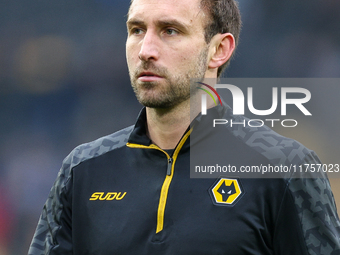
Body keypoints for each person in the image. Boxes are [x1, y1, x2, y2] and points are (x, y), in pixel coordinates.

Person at [28, 0, 340, 254]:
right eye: (136, 30)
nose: (146, 50)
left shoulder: (285, 168)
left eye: (170, 31)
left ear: (219, 50)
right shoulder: (81, 170)